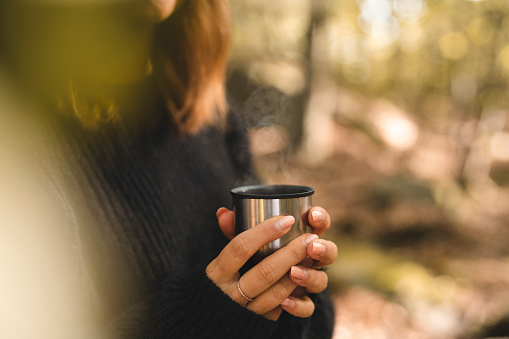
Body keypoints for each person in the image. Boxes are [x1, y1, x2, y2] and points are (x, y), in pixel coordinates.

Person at [0, 0, 338, 338]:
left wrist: (290, 296)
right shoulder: (18, 138)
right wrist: (200, 322)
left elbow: (313, 325)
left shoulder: (212, 115)